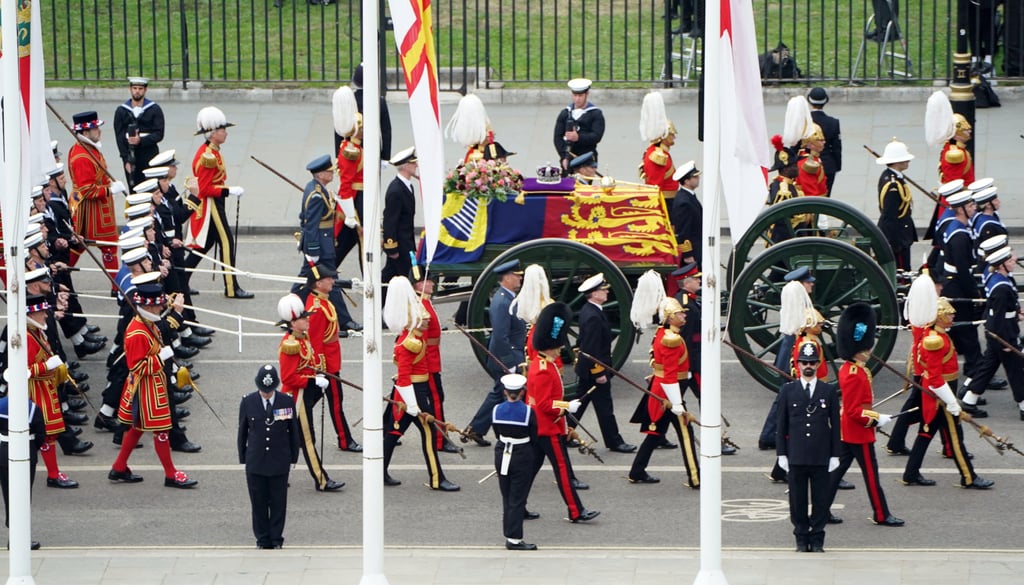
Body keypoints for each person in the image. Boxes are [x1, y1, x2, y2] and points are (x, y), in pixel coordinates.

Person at [107, 282, 198, 489]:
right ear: (148, 307)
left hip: (152, 384)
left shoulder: (147, 321)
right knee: (162, 431)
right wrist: (161, 357)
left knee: (138, 428)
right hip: (147, 387)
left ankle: (119, 466)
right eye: (158, 305)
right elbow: (136, 365)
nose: (160, 308)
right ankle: (171, 473)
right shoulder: (138, 331)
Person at [901, 292, 993, 490]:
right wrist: (951, 401)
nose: (953, 317)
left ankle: (911, 473)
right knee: (955, 437)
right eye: (949, 314)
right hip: (940, 393)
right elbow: (935, 379)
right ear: (939, 316)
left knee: (925, 434)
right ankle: (968, 477)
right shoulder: (935, 341)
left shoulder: (933, 334)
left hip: (937, 391)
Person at [827, 303, 904, 527]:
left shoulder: (855, 369)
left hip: (850, 432)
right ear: (858, 349)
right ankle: (881, 514)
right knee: (871, 477)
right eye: (867, 347)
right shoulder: (853, 373)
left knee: (835, 474)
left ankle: (821, 510)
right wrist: (876, 418)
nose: (870, 351)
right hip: (858, 433)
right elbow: (853, 411)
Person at [381, 276, 459, 491]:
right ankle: (437, 479)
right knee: (425, 434)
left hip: (414, 392)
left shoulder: (416, 339)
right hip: (411, 394)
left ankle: (380, 471)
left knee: (393, 433)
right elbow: (404, 376)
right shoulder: (411, 343)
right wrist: (413, 404)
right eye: (424, 320)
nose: (427, 322)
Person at [526, 302, 599, 523]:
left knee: (529, 472)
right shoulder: (543, 371)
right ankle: (575, 511)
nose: (560, 349)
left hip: (542, 426)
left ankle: (517, 505)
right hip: (547, 427)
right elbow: (546, 405)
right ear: (549, 346)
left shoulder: (543, 365)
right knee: (563, 471)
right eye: (557, 346)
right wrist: (568, 406)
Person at [275, 293, 345, 493]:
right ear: (292, 323)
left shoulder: (302, 338)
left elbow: (308, 364)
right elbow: (288, 379)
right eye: (303, 318)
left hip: (305, 395)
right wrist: (314, 379)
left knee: (289, 440)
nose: (307, 319)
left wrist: (317, 376)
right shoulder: (291, 345)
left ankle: (278, 474)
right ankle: (322, 480)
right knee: (307, 440)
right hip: (296, 399)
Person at [628, 296, 700, 488]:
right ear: (669, 318)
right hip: (669, 394)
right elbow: (669, 375)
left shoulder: (662, 333)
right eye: (679, 313)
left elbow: (655, 360)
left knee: (655, 433)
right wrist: (677, 404)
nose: (684, 315)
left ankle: (637, 471)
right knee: (686, 433)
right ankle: (695, 477)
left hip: (664, 390)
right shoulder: (672, 339)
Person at [776, 341, 840, 553]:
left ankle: (818, 537)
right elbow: (781, 425)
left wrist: (835, 454)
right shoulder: (788, 390)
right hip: (796, 455)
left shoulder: (828, 390)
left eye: (812, 362)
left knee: (821, 501)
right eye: (804, 362)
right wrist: (781, 453)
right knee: (797, 501)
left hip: (821, 455)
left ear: (818, 363)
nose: (808, 366)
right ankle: (801, 538)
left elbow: (835, 425)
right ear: (797, 364)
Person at [185, 106, 253, 299]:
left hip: (214, 202)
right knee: (226, 243)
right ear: (213, 133)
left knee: (203, 246)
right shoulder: (208, 156)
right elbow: (205, 189)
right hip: (212, 205)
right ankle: (231, 288)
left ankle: (181, 279)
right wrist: (228, 190)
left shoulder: (211, 151)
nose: (226, 133)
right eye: (223, 130)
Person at [238, 364, 301, 550]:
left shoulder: (286, 401)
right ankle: (262, 539)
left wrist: (293, 458)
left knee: (278, 502)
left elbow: (293, 432)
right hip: (256, 460)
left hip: (279, 460)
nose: (266, 394)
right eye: (263, 390)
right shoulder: (248, 402)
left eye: (269, 390)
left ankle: (276, 539)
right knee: (258, 502)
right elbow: (242, 433)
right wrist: (243, 459)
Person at [958, 246, 1024, 420]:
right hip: (1003, 333)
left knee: (988, 367)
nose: (1013, 263)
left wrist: (1016, 311)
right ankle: (1023, 405)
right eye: (1010, 261)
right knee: (1015, 370)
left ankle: (969, 400)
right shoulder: (1001, 287)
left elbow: (996, 310)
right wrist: (1006, 341)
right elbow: (999, 316)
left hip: (997, 331)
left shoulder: (997, 278)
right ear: (1001, 265)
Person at [571, 273, 635, 453]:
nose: (606, 293)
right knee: (604, 407)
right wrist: (599, 373)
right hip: (594, 371)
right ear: (594, 294)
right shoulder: (593, 316)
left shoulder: (590, 311)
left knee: (580, 403)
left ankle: (564, 433)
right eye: (603, 290)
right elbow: (592, 349)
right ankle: (614, 441)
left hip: (587, 369)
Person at [465, 259, 525, 446]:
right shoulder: (502, 301)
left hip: (508, 355)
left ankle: (475, 429)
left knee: (499, 393)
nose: (519, 280)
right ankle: (476, 429)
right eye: (517, 276)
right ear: (507, 277)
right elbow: (500, 336)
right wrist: (509, 363)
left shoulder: (506, 297)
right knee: (502, 392)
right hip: (506, 357)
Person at [303, 264, 360, 452]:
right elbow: (316, 341)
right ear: (318, 283)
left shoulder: (323, 301)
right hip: (326, 365)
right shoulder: (317, 308)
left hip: (330, 361)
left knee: (311, 402)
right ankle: (345, 440)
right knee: (335, 404)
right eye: (329, 279)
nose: (332, 281)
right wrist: (321, 369)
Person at [25, 295, 78, 489]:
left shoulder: (37, 333)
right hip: (35, 392)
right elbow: (26, 370)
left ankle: (53, 473)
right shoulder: (28, 338)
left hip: (46, 390)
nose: (45, 316)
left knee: (49, 435)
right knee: (42, 434)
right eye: (41, 312)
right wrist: (47, 365)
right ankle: (53, 474)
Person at [67, 110, 125, 279]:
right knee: (108, 246)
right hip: (93, 210)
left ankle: (61, 274)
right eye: (95, 128)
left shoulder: (88, 148)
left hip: (97, 207)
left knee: (79, 244)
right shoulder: (81, 157)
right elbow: (87, 190)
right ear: (85, 132)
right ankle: (117, 286)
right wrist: (110, 189)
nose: (99, 131)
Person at [939, 190, 983, 389]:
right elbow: (963, 270)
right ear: (960, 209)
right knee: (968, 331)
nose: (974, 208)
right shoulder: (959, 235)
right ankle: (974, 376)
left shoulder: (957, 228)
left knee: (961, 332)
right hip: (958, 286)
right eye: (971, 205)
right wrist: (975, 295)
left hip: (953, 283)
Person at [491, 373, 539, 551]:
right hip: (521, 454)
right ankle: (514, 538)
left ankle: (510, 532)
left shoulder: (496, 410)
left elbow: (497, 432)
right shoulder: (528, 411)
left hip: (502, 452)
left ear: (505, 392)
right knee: (517, 498)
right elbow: (534, 435)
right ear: (522, 392)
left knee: (507, 495)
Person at [0, 394, 45, 550]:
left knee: (9, 495)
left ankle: (14, 536)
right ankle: (20, 538)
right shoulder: (33, 408)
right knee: (24, 497)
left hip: (3, 454)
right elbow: (40, 434)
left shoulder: (1, 405)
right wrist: (33, 448)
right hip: (26, 452)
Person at [332, 87, 364, 269]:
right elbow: (347, 184)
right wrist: (350, 214)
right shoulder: (350, 151)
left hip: (357, 200)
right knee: (365, 245)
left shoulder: (352, 147)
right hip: (356, 201)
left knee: (344, 245)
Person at [334, 62, 392, 163]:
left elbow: (340, 128)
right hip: (372, 150)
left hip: (349, 150)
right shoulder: (379, 102)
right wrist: (385, 157)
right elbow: (386, 130)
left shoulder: (348, 100)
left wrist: (338, 155)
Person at [113, 77, 164, 189]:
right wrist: (125, 159)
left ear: (145, 90)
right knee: (134, 189)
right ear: (130, 89)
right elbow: (119, 137)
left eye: (140, 88)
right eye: (134, 88)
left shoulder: (154, 109)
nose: (137, 91)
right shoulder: (121, 111)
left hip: (149, 154)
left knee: (152, 188)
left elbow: (159, 134)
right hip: (131, 156)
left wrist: (141, 140)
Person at [381, 147, 418, 301]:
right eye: (413, 163)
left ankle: (375, 309)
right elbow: (390, 221)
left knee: (388, 278)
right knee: (410, 280)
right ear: (405, 166)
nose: (416, 166)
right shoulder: (396, 190)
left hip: (406, 243)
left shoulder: (407, 186)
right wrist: (391, 248)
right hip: (400, 246)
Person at [875, 138, 916, 271]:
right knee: (901, 270)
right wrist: (893, 243)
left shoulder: (895, 178)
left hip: (901, 231)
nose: (908, 161)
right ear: (898, 161)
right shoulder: (892, 184)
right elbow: (889, 215)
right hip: (897, 235)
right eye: (905, 158)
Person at [553, 79, 605, 175]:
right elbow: (557, 138)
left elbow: (597, 136)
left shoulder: (596, 114)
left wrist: (578, 137)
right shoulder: (565, 113)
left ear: (587, 94)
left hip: (587, 158)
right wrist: (564, 156)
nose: (577, 99)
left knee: (584, 188)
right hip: (568, 158)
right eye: (575, 95)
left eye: (580, 96)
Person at [638, 92, 679, 200]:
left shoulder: (660, 152)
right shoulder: (657, 156)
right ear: (663, 136)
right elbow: (655, 188)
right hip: (665, 202)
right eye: (671, 134)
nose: (673, 137)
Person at [807, 88, 841, 196]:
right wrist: (837, 165)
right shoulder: (833, 122)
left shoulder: (804, 121)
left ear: (810, 101)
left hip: (806, 163)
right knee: (825, 197)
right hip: (827, 164)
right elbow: (837, 148)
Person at [670, 161, 702, 267]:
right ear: (687, 181)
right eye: (695, 177)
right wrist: (687, 254)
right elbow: (683, 230)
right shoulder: (684, 202)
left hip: (696, 246)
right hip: (693, 250)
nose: (698, 179)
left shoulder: (688, 196)